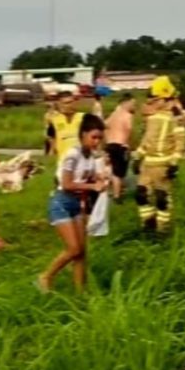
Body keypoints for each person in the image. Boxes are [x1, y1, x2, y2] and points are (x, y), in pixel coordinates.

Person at [37, 114, 106, 293]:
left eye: (100, 138)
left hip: (78, 204)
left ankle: (80, 293)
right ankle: (46, 276)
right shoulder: (72, 155)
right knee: (74, 249)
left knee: (82, 252)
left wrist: (98, 178)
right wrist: (92, 186)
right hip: (61, 203)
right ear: (83, 134)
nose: (97, 142)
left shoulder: (90, 156)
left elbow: (85, 176)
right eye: (94, 137)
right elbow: (67, 184)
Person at [134, 76, 185, 233]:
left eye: (156, 100)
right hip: (147, 165)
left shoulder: (176, 118)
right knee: (141, 195)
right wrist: (137, 157)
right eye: (152, 100)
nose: (152, 103)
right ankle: (148, 224)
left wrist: (174, 163)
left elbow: (180, 143)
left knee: (162, 198)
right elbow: (147, 139)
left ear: (165, 99)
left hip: (163, 165)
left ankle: (162, 230)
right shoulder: (152, 118)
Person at [104, 93, 137, 202]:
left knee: (113, 170)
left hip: (110, 144)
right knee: (119, 172)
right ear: (125, 103)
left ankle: (115, 191)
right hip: (121, 145)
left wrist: (107, 138)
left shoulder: (113, 114)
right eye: (132, 104)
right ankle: (117, 196)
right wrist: (128, 144)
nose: (134, 106)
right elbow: (129, 129)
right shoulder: (127, 115)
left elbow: (104, 125)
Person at [48, 92, 85, 168]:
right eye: (66, 103)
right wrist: (52, 149)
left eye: (71, 102)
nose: (69, 105)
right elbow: (52, 136)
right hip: (63, 163)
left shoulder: (84, 118)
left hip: (81, 162)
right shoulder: (55, 120)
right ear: (60, 105)